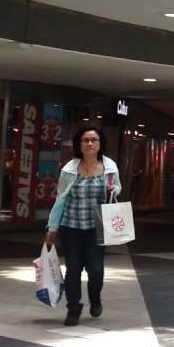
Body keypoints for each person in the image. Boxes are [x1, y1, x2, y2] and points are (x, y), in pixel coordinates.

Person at [45, 126, 121, 327]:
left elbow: (118, 187)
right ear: (79, 145)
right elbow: (61, 198)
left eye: (94, 140)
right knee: (73, 269)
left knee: (95, 269)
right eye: (85, 140)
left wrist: (114, 189)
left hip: (97, 227)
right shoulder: (69, 169)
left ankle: (95, 299)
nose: (89, 143)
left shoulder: (109, 167)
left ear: (100, 144)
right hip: (71, 226)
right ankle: (73, 308)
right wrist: (52, 228)